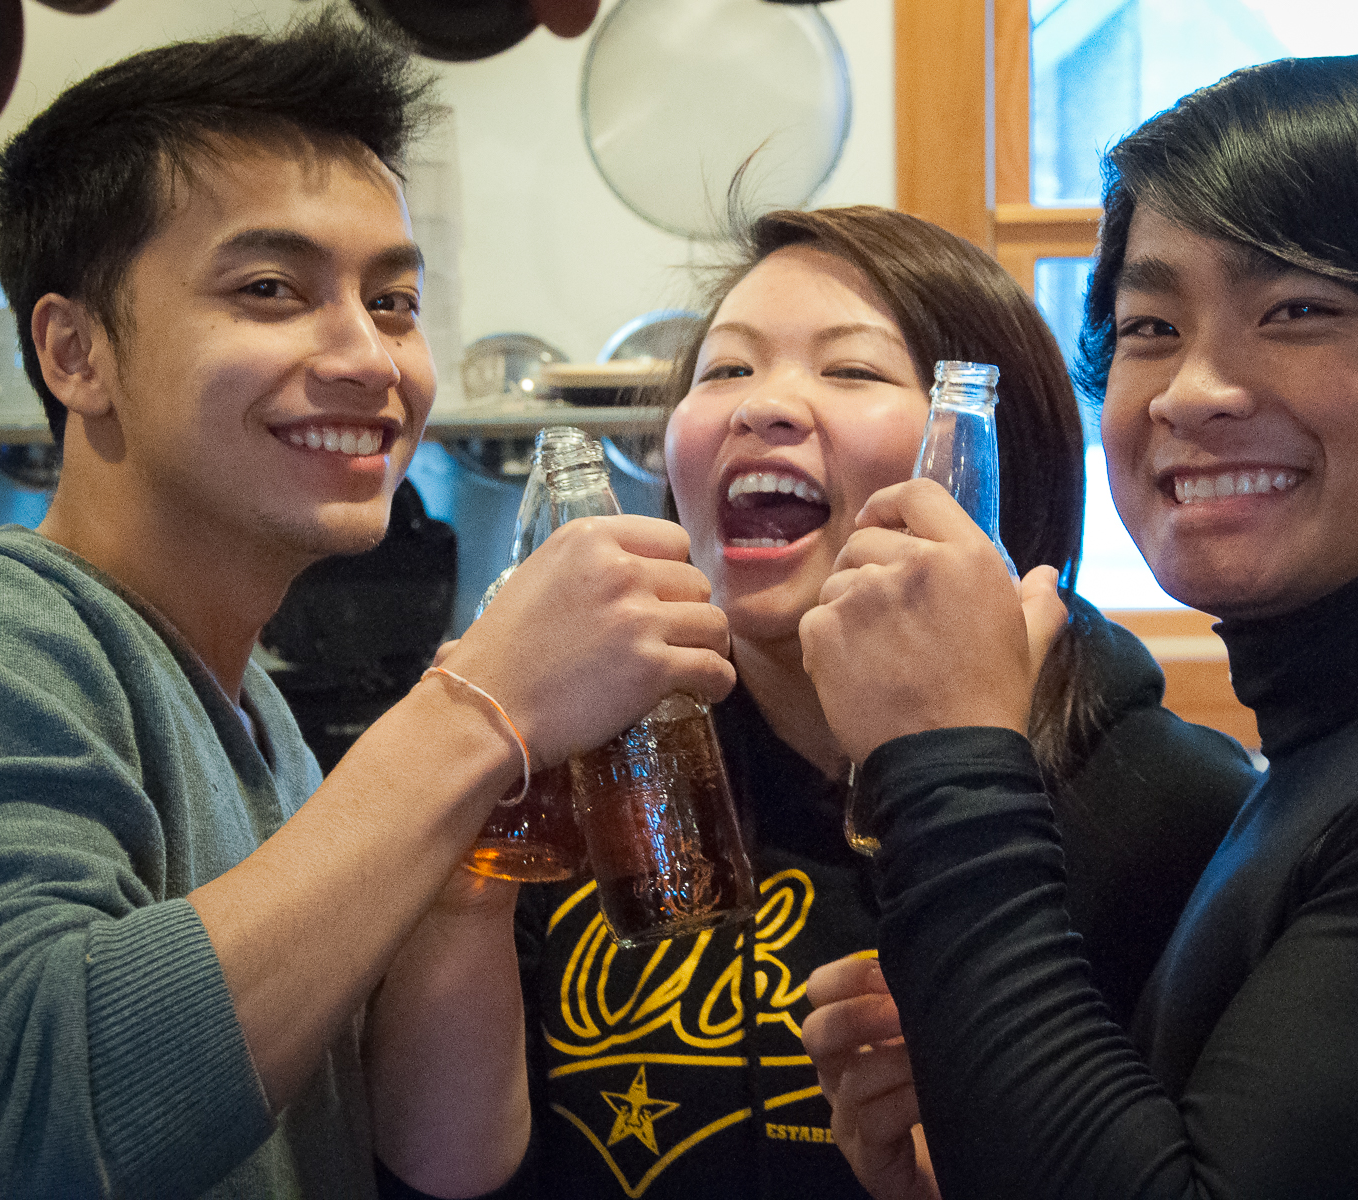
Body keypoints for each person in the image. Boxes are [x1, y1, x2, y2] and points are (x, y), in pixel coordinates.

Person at [799, 54, 1358, 1200]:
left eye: (1297, 311)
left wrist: (948, 756)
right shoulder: (1346, 752)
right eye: (1149, 325)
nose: (1191, 390)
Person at [0, 14, 730, 1200]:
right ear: (75, 353)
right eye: (271, 288)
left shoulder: (259, 721)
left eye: (393, 301)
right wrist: (474, 710)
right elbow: (19, 1130)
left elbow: (439, 1161)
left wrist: (464, 873)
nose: (370, 359)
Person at [501, 205, 1260, 1199]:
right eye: (725, 370)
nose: (762, 405)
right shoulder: (591, 770)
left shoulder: (1177, 811)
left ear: (985, 455)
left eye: (851, 369)